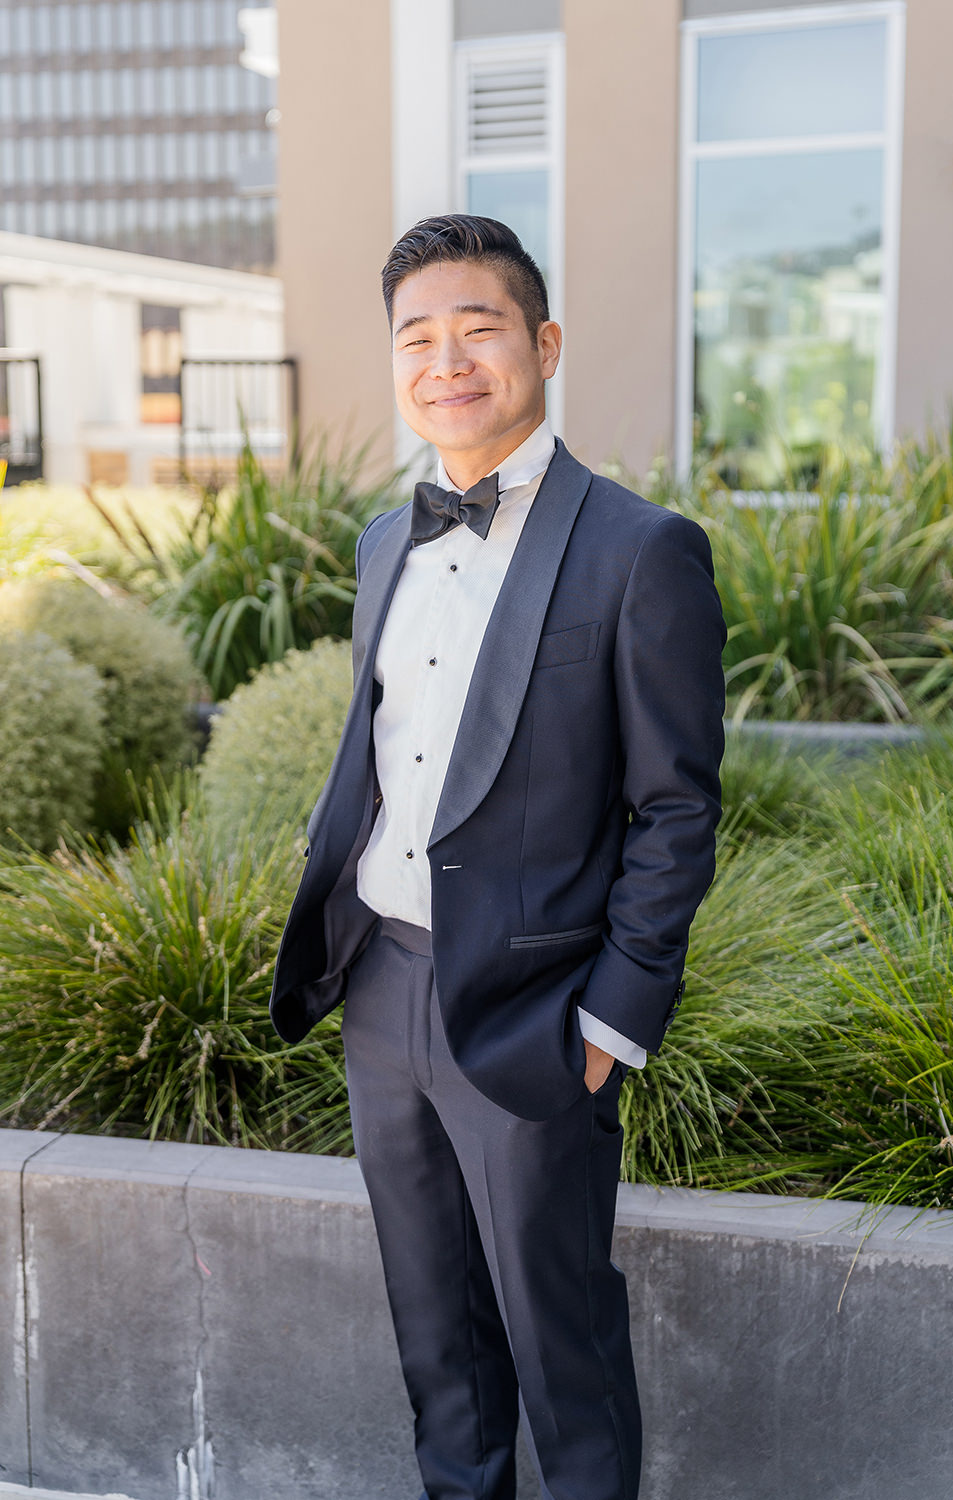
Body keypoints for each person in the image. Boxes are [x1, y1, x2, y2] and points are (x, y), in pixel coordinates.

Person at [270, 214, 726, 1500]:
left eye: (478, 328)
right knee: (439, 1343)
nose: (446, 359)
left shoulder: (642, 551)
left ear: (543, 342)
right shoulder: (383, 542)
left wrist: (611, 1025)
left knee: (558, 1344)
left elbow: (674, 810)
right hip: (383, 988)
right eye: (418, 337)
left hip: (538, 1015)